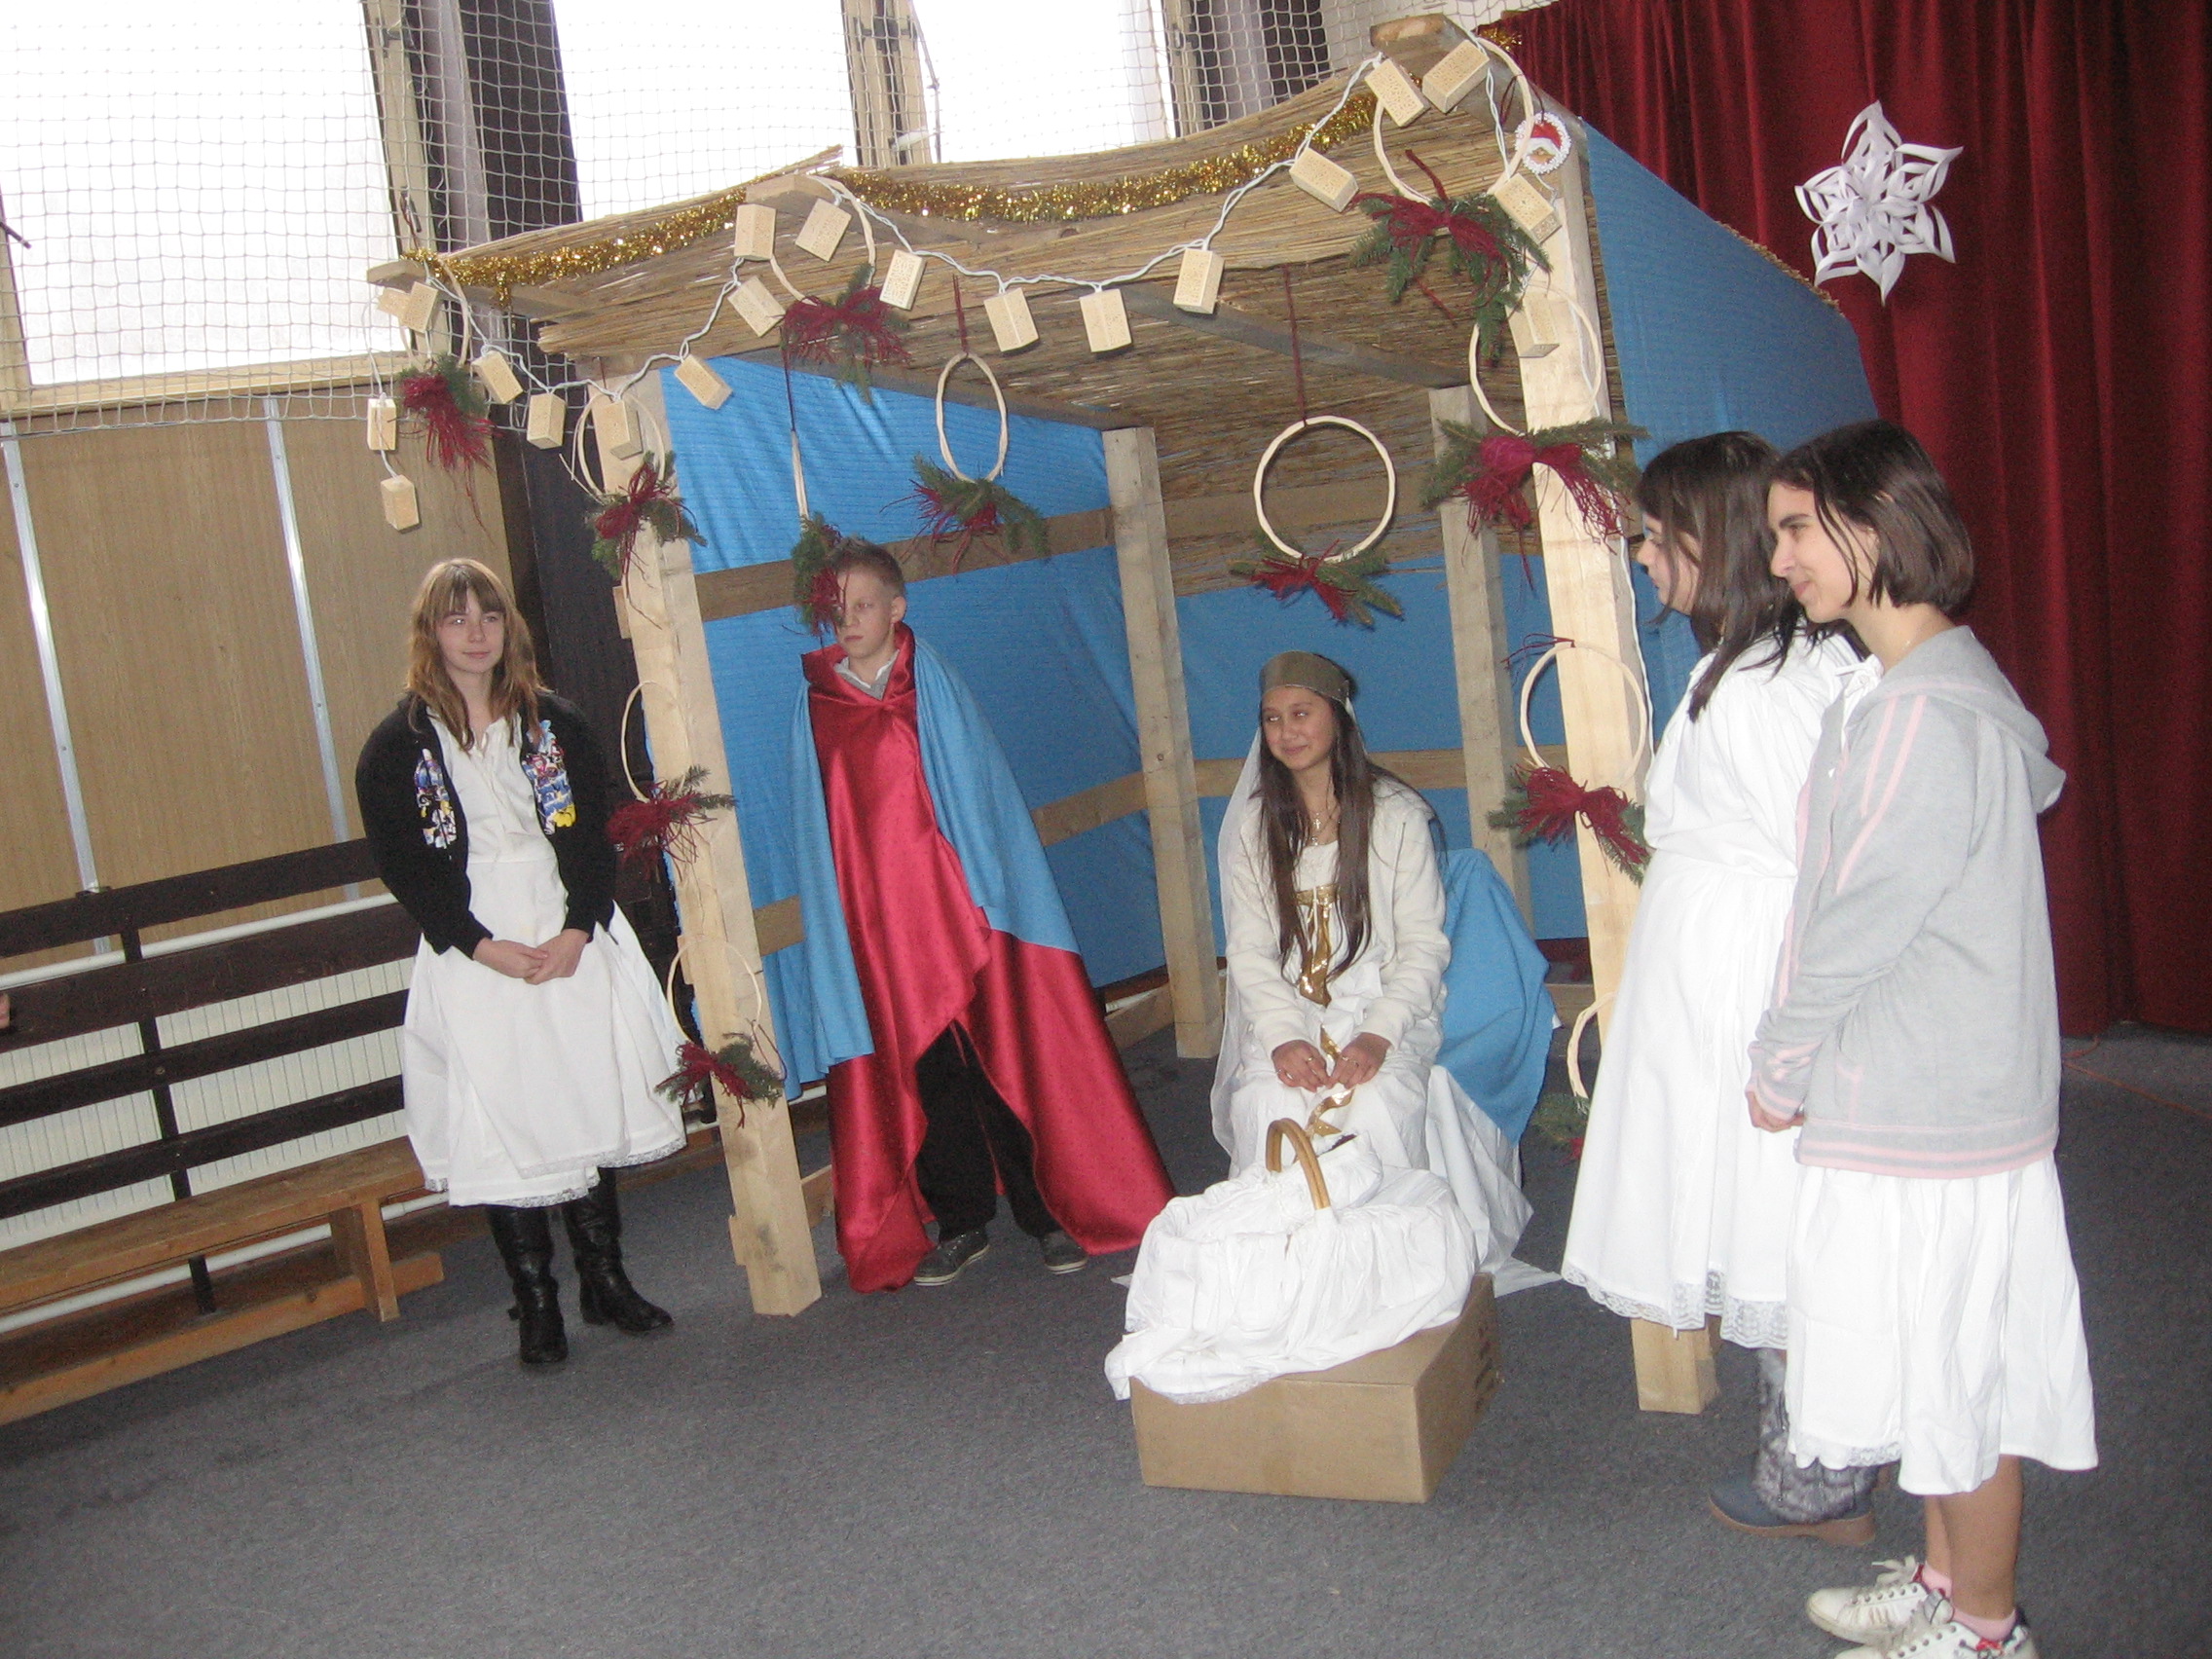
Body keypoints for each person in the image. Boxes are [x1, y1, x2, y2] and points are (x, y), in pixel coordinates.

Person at [1751, 422, 2095, 1658]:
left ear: (1874, 523)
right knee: (1933, 1364)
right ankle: (1950, 1583)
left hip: (1930, 1106)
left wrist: (1779, 1060)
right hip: (1927, 1094)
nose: (1779, 559)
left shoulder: (1919, 714)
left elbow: (1860, 918)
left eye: (1798, 529)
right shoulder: (1912, 691)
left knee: (1962, 1386)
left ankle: (1986, 1628)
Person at [1557, 432, 1875, 1540]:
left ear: (1715, 537)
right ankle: (1809, 1447)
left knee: (1775, 1216)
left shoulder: (1769, 686)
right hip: (1719, 976)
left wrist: (1788, 1029)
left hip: (1751, 985)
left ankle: (1822, 1464)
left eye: (1658, 534)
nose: (1644, 555)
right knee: (1756, 1219)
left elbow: (1824, 860)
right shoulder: (1740, 668)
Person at [787, 541, 1173, 1292]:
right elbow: (820, 829)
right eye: (837, 609)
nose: (848, 620)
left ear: (897, 609)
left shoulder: (929, 685)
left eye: (863, 605)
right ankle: (962, 1220)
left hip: (966, 918)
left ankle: (1046, 1211)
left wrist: (991, 901)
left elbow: (977, 796)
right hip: (886, 935)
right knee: (928, 1074)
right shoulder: (816, 706)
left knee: (1002, 1062)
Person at [355, 559, 686, 1369]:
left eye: (489, 616)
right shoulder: (397, 746)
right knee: (502, 1111)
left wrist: (578, 930)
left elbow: (593, 837)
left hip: (563, 928)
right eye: (457, 618)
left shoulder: (554, 724)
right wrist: (479, 946)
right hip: (476, 944)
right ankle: (535, 1298)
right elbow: (405, 866)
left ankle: (604, 1278)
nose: (476, 633)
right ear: (431, 633)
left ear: (510, 627)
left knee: (583, 1094)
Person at [1212, 650, 1534, 1277]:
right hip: (1291, 1013)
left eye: (1302, 714)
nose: (1287, 732)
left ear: (1338, 718)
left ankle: (1389, 1266)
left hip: (1382, 1009)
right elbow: (1249, 951)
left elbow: (1423, 947)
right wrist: (1281, 1036)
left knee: (1376, 1103)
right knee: (1267, 1101)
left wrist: (1379, 1034)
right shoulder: (1254, 828)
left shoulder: (1397, 816)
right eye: (1273, 718)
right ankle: (1289, 1268)